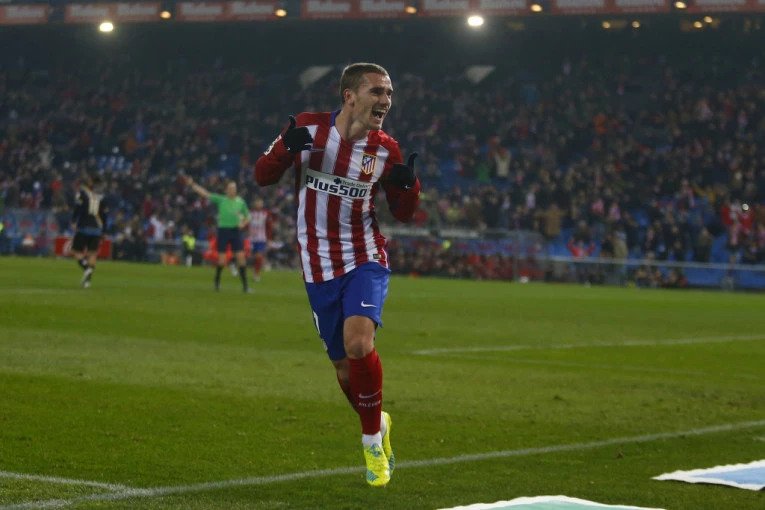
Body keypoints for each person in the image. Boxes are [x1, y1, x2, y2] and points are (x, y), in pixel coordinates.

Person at [254, 62, 421, 487]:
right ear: (349, 95)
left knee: (359, 342)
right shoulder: (308, 128)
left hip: (365, 255)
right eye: (377, 91)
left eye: (389, 93)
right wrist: (283, 149)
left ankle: (370, 445)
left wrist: (409, 186)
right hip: (317, 264)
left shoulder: (386, 148)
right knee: (344, 371)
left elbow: (403, 212)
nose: (385, 100)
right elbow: (262, 176)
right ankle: (378, 423)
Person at [186, 177, 252, 293]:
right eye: (230, 188)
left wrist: (243, 224)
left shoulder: (241, 202)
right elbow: (205, 194)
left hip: (236, 231)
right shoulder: (221, 200)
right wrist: (192, 185)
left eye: (234, 188)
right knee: (222, 261)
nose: (233, 190)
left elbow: (248, 216)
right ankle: (216, 283)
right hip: (223, 231)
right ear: (226, 190)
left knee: (241, 259)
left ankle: (245, 287)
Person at [71, 174, 108, 288]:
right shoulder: (102, 196)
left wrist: (74, 221)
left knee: (76, 251)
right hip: (97, 229)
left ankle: (86, 267)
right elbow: (105, 215)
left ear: (91, 181)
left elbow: (78, 207)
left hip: (84, 226)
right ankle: (87, 282)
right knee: (92, 254)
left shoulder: (83, 193)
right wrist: (104, 231)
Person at [247, 198, 272, 282]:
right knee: (249, 256)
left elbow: (269, 227)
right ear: (254, 204)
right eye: (257, 203)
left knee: (259, 256)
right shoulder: (249, 213)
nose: (259, 205)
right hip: (250, 239)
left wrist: (269, 239)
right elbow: (245, 223)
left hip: (261, 238)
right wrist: (248, 230)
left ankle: (256, 273)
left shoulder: (266, 213)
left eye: (260, 203)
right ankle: (244, 268)